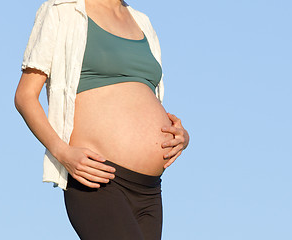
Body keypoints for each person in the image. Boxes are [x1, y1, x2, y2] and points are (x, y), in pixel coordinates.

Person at [14, 0, 190, 239]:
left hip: (149, 190)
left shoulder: (142, 22)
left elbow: (141, 95)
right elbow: (25, 96)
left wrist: (179, 136)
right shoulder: (62, 11)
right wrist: (62, 152)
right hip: (98, 177)